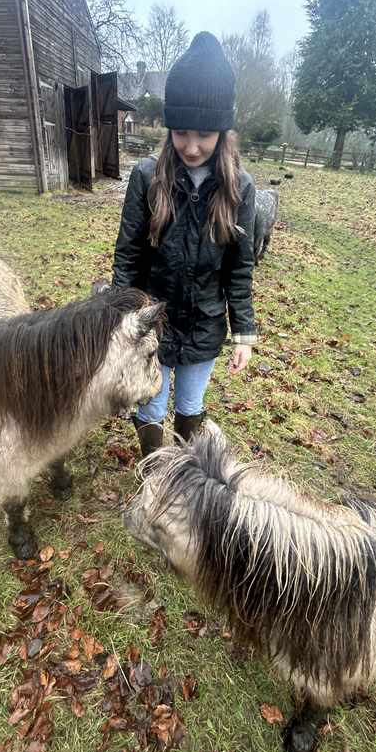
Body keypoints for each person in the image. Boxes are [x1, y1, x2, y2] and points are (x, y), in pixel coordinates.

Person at [112, 31, 257, 457]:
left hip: (204, 324)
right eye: (180, 133)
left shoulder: (240, 188)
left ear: (223, 132)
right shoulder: (146, 177)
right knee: (151, 403)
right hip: (152, 323)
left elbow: (239, 268)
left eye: (204, 135)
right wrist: (121, 318)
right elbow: (128, 254)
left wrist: (244, 332)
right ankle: (155, 474)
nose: (191, 147)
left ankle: (185, 477)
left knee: (190, 406)